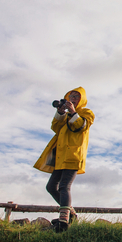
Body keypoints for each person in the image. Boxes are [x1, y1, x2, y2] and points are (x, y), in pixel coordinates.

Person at [33, 86, 95, 232]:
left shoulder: (86, 113)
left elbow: (81, 126)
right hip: (60, 155)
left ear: (82, 99)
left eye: (76, 97)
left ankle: (63, 223)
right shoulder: (67, 115)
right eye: (70, 97)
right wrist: (60, 112)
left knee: (64, 187)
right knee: (51, 187)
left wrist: (73, 112)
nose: (72, 99)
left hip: (73, 155)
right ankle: (71, 216)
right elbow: (56, 128)